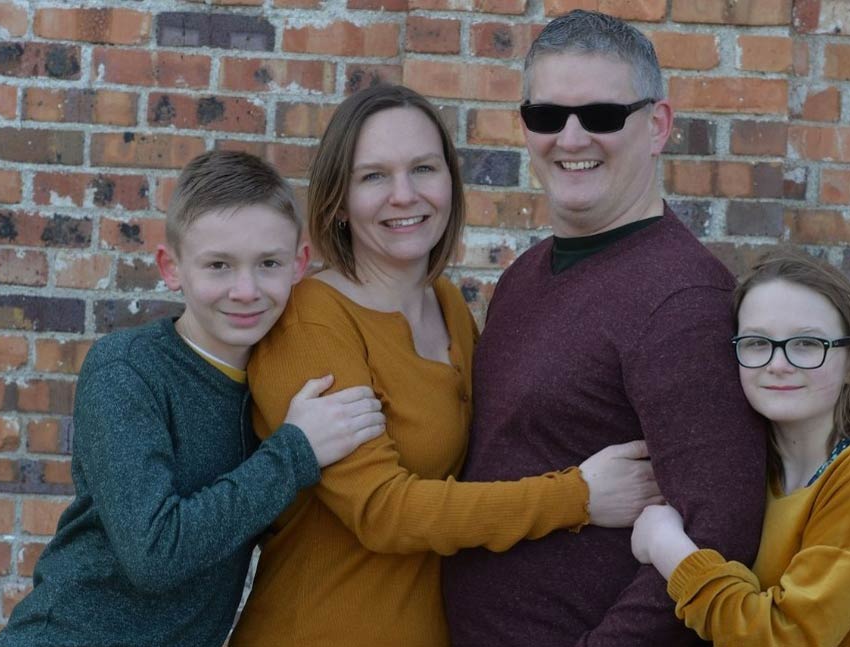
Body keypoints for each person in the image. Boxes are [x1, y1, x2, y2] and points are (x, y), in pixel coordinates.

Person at [228, 83, 662, 647]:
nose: (404, 195)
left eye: (423, 169)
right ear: (337, 199)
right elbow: (385, 510)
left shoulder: (448, 304)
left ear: (450, 186)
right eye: (373, 176)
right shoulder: (312, 322)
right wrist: (578, 495)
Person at [442, 10, 769, 647]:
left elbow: (720, 531)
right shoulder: (522, 278)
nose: (570, 138)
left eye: (601, 116)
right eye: (547, 116)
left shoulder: (682, 299)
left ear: (657, 127)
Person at [0, 150, 386, 647]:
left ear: (298, 264)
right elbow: (154, 554)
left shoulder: (279, 385)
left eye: (268, 263)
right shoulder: (127, 369)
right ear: (172, 268)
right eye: (219, 265)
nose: (245, 290)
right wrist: (296, 451)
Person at [631, 247, 850, 645]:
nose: (778, 364)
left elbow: (786, 637)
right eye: (757, 343)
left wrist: (667, 547)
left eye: (806, 344)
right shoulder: (746, 468)